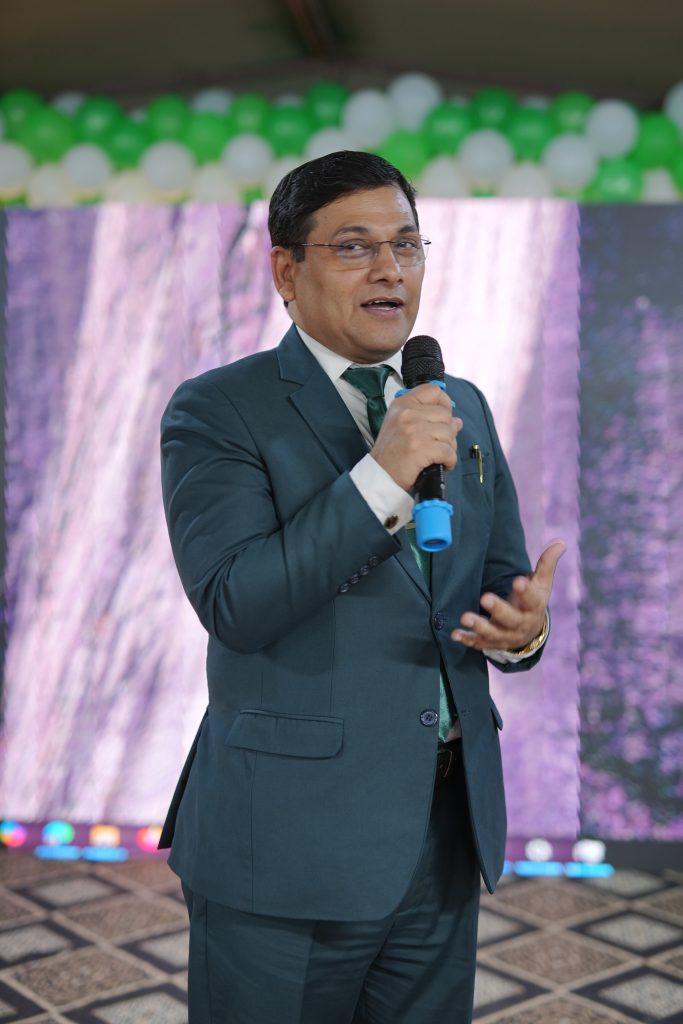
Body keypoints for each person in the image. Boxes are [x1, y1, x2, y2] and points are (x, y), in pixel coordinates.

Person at [158, 150, 564, 1023]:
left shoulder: (458, 403)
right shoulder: (218, 408)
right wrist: (381, 476)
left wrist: (521, 630)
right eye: (353, 246)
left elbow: (496, 581)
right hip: (288, 849)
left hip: (443, 832)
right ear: (285, 271)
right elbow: (235, 602)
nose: (389, 269)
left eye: (406, 245)